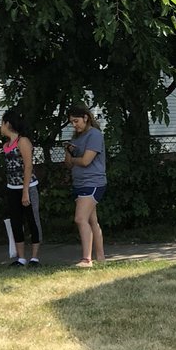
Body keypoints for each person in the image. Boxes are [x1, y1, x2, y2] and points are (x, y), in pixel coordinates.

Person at [63, 105, 106, 268]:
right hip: (79, 182)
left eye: (76, 121)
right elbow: (68, 163)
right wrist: (68, 151)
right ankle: (100, 258)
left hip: (93, 182)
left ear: (86, 118)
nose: (74, 125)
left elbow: (86, 161)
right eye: (71, 122)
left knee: (80, 218)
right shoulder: (76, 138)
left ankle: (86, 259)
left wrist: (75, 159)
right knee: (91, 220)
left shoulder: (94, 134)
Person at [0, 110, 42, 268]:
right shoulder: (6, 145)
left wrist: (25, 191)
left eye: (2, 122)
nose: (0, 126)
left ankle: (35, 257)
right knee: (16, 222)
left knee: (32, 221)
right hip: (12, 187)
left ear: (8, 124)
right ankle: (21, 258)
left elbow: (28, 166)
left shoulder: (22, 141)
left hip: (28, 187)